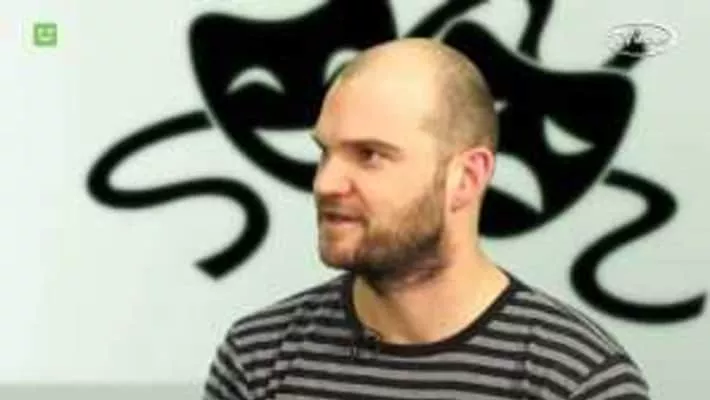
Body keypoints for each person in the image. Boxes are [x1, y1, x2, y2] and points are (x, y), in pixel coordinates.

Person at [202, 38, 650, 400]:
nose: (326, 183)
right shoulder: (258, 358)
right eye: (326, 152)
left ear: (466, 178)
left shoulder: (576, 379)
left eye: (370, 155)